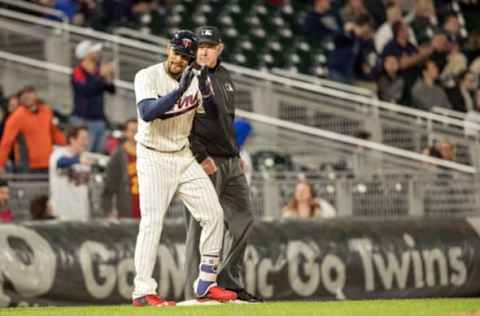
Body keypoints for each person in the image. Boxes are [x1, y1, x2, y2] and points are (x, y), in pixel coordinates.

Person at [132, 29, 236, 307]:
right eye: (177, 52)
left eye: (186, 56)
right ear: (168, 48)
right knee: (152, 222)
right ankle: (142, 290)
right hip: (153, 157)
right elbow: (148, 113)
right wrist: (180, 90)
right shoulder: (147, 76)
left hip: (182, 155)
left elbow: (213, 116)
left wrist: (207, 90)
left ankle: (206, 282)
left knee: (214, 214)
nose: (180, 59)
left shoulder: (194, 78)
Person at [185, 26, 261, 303]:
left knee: (244, 221)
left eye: (209, 46)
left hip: (230, 161)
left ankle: (230, 281)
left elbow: (226, 121)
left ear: (220, 49)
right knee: (200, 227)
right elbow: (184, 125)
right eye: (200, 46)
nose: (204, 50)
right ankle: (196, 290)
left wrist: (235, 151)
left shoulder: (225, 76)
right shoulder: (187, 77)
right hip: (204, 162)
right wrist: (200, 156)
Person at [0, 86, 66, 173]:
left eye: (30, 93)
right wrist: (0, 164)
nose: (28, 97)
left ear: (35, 95)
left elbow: (56, 133)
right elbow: (6, 143)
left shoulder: (46, 111)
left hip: (48, 163)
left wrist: (67, 148)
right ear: (21, 99)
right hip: (27, 167)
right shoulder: (16, 117)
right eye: (25, 95)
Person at [71, 40, 115, 153]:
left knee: (98, 156)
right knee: (84, 154)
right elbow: (86, 91)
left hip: (99, 120)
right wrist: (100, 75)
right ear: (87, 55)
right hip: (83, 120)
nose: (98, 54)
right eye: (94, 52)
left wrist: (109, 77)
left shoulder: (97, 70)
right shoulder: (77, 72)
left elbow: (111, 90)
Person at [49, 125, 93, 221]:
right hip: (62, 214)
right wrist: (79, 160)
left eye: (87, 139)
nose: (86, 142)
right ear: (72, 139)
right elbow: (60, 162)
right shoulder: (59, 153)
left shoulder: (85, 157)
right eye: (83, 139)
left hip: (81, 214)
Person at [102, 118, 140, 219]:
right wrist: (108, 210)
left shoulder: (148, 154)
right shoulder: (118, 154)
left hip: (146, 206)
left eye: (138, 130)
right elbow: (109, 185)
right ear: (126, 133)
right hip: (127, 207)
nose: (136, 133)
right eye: (132, 130)